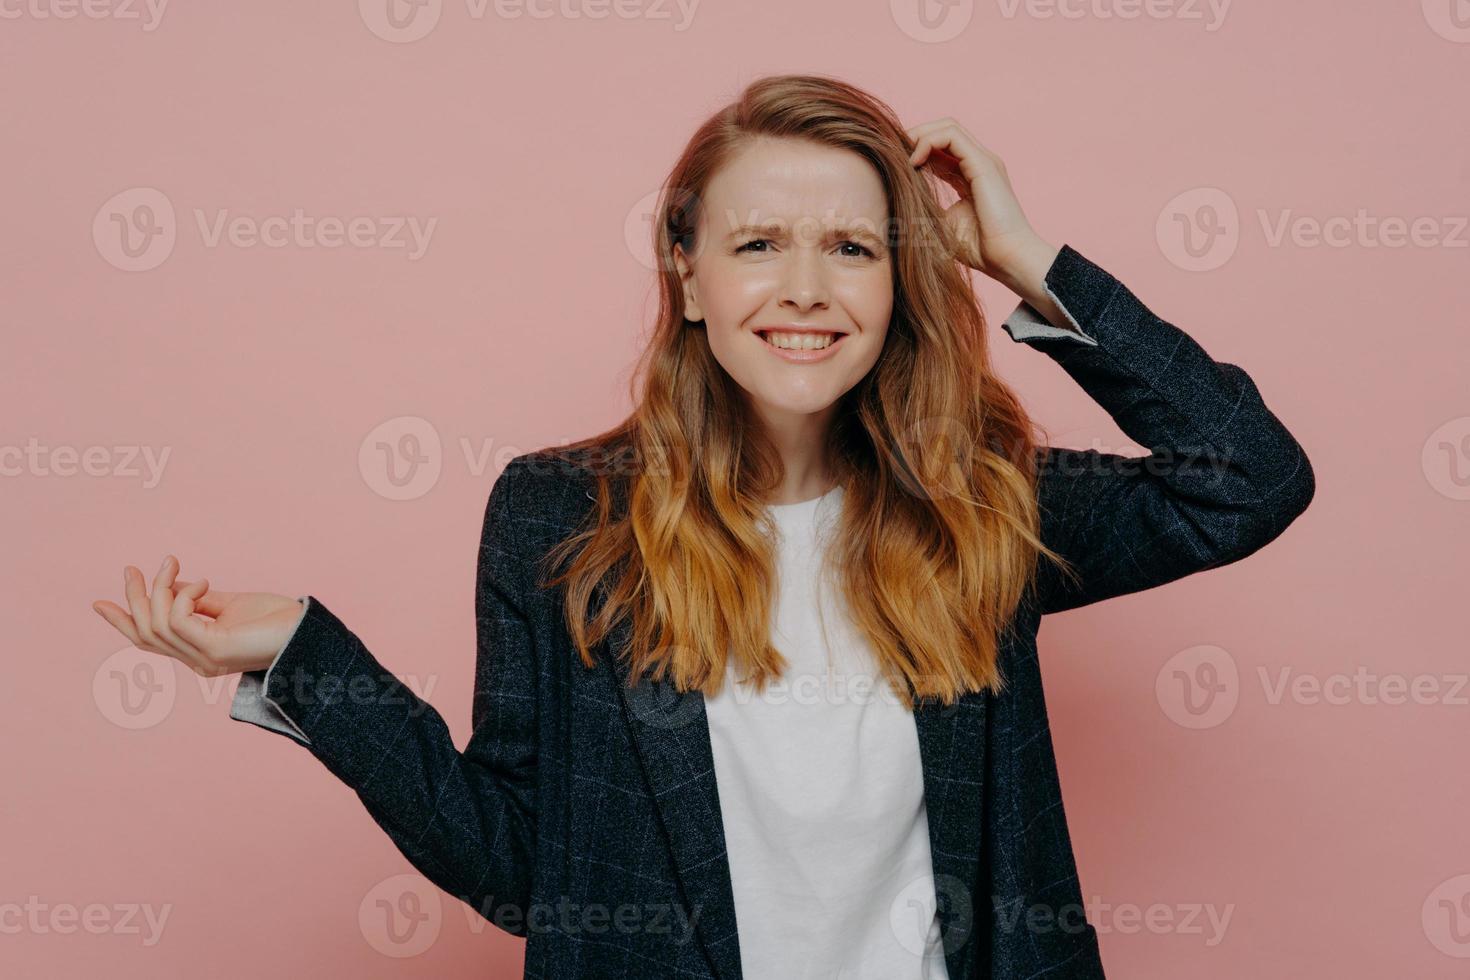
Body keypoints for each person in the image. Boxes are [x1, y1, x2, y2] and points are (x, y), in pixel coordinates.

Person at [91, 73, 1315, 980]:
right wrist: (310, 655)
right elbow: (522, 867)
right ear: (687, 275)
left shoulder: (979, 504)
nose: (804, 286)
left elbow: (1249, 476)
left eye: (851, 247)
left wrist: (1022, 256)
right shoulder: (557, 514)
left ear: (901, 283)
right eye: (757, 244)